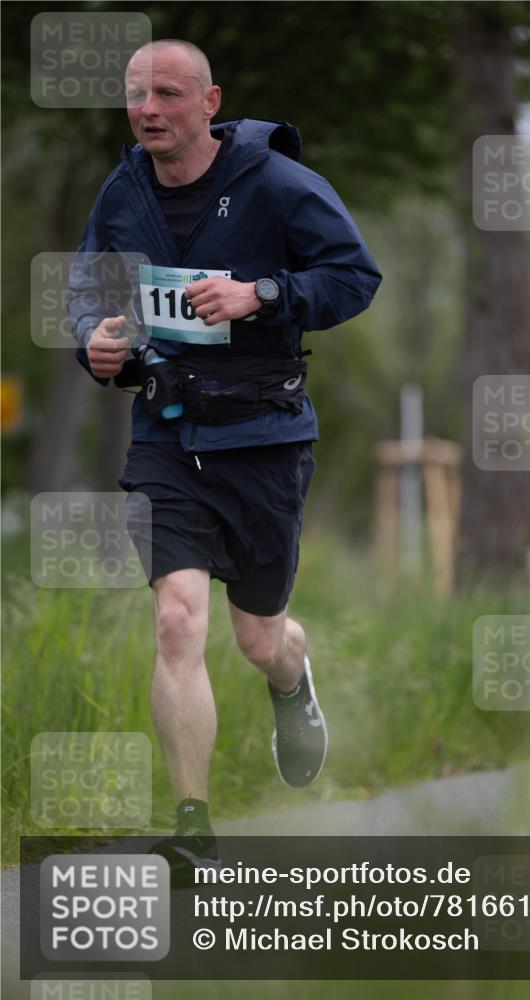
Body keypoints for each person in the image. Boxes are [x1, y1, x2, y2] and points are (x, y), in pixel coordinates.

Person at [68, 39, 381, 854]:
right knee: (176, 619)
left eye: (168, 93)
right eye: (137, 94)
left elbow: (354, 276)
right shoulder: (123, 186)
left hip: (265, 437)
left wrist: (263, 292)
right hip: (166, 434)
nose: (148, 110)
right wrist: (94, 345)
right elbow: (85, 286)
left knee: (256, 637)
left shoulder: (274, 182)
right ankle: (193, 826)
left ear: (208, 104)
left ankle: (291, 675)